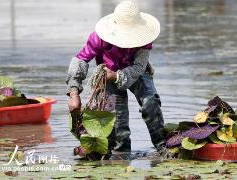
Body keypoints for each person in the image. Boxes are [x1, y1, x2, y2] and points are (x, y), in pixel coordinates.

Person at [66, 1, 167, 155]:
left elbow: (139, 67)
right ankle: (122, 155)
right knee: (118, 123)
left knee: (150, 102)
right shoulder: (99, 37)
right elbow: (81, 60)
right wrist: (74, 94)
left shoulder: (144, 37)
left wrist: (118, 76)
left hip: (135, 71)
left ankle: (163, 148)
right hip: (107, 74)